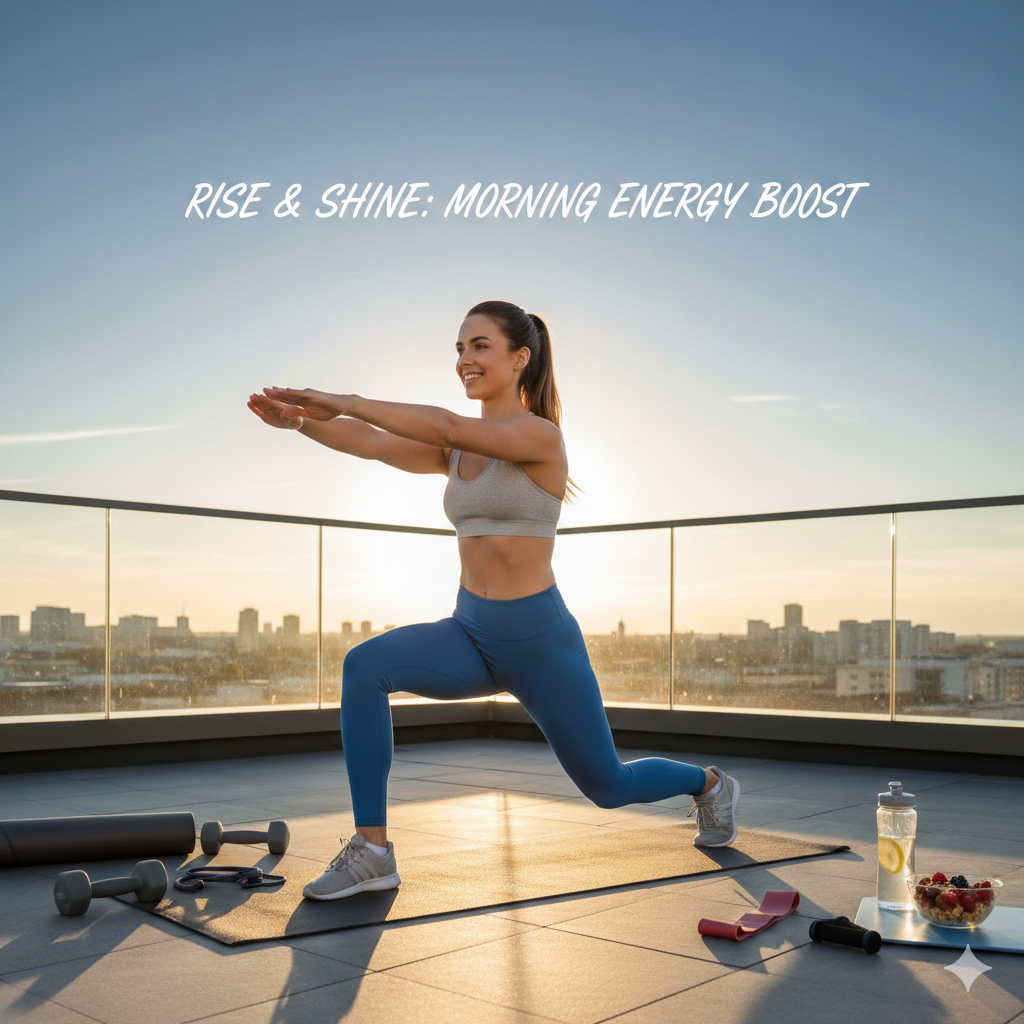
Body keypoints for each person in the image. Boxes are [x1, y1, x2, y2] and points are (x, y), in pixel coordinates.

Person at [247, 299, 741, 901]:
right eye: (459, 348)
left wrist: (344, 399)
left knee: (607, 785)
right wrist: (303, 421)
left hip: (540, 644)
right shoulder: (455, 451)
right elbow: (374, 445)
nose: (465, 360)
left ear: (519, 358)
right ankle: (373, 849)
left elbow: (449, 425)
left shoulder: (538, 436)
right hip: (470, 633)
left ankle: (709, 784)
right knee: (364, 665)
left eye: (479, 346)